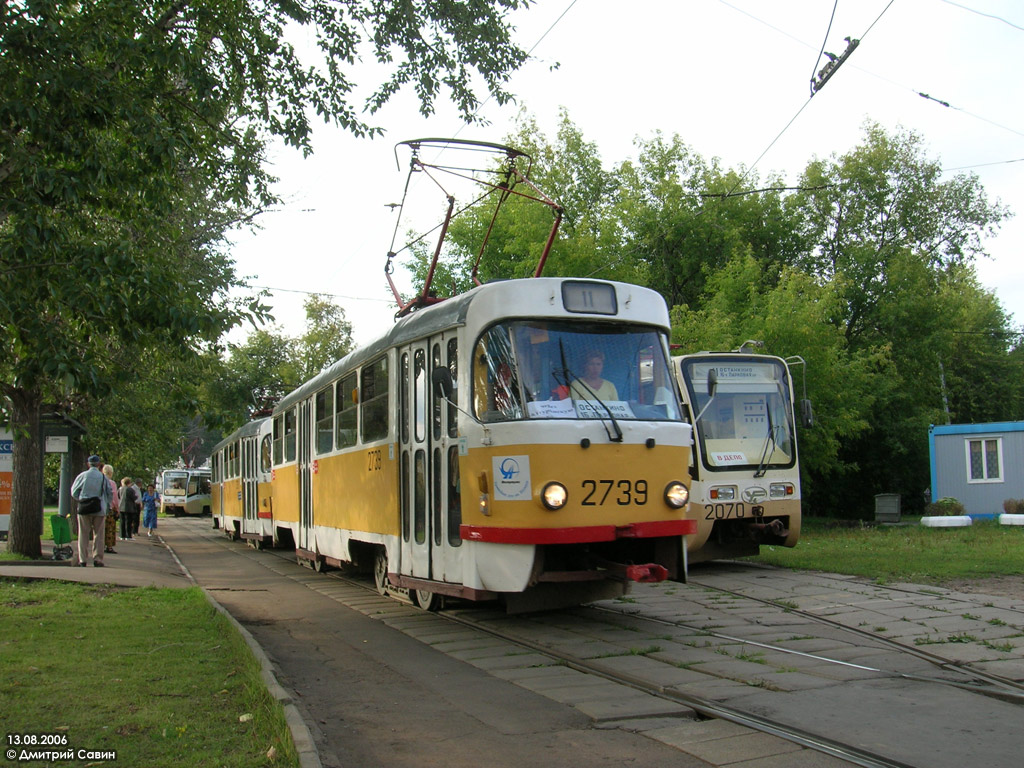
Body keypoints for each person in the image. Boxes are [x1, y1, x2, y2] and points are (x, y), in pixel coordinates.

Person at [70, 454, 113, 567]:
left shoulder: (82, 476)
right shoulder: (103, 477)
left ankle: (82, 559)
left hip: (84, 508)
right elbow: (109, 493)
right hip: (99, 508)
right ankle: (97, 559)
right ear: (99, 465)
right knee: (99, 534)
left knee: (83, 534)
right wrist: (107, 505)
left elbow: (74, 492)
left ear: (88, 464)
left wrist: (82, 499)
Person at [102, 464, 120, 554]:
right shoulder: (112, 483)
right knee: (110, 528)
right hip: (109, 508)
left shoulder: (100, 481)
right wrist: (117, 508)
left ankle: (99, 545)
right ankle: (109, 546)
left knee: (100, 528)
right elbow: (114, 497)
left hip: (100, 508)